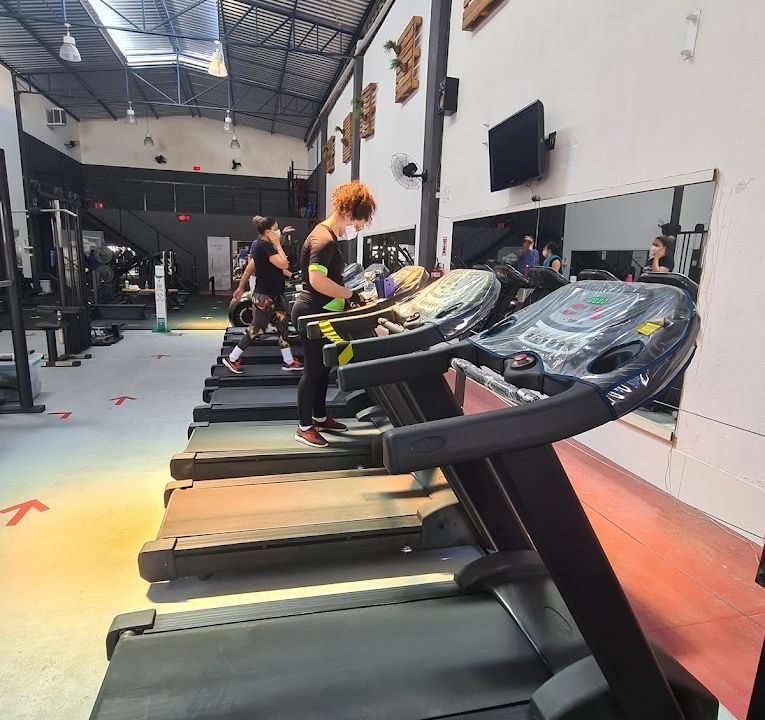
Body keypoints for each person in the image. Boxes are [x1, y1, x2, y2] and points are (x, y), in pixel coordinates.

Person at [292, 180, 377, 448]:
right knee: (314, 370)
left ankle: (318, 416)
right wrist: (351, 295)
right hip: (313, 314)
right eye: (358, 225)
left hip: (322, 312)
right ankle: (304, 427)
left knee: (323, 368)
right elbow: (317, 281)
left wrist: (348, 296)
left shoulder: (325, 235)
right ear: (348, 213)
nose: (357, 230)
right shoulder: (325, 239)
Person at [222, 216, 301, 374]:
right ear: (267, 232)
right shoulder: (263, 247)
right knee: (257, 329)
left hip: (275, 294)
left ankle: (288, 360)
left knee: (283, 325)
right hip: (265, 296)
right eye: (276, 229)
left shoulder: (264, 245)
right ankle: (232, 358)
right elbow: (283, 263)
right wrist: (278, 244)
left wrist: (241, 287)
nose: (278, 231)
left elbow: (276, 267)